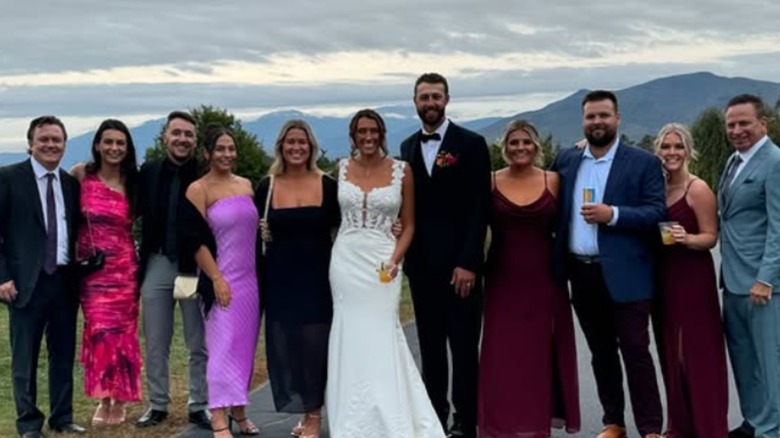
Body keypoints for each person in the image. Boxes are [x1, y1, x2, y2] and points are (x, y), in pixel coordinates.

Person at [550, 90, 666, 438]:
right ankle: (613, 422)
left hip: (627, 273)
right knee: (601, 353)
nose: (597, 122)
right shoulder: (567, 161)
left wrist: (612, 214)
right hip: (582, 273)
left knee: (636, 352)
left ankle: (650, 429)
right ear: (582, 121)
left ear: (617, 119)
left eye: (603, 116)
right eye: (590, 117)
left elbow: (656, 211)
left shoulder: (642, 162)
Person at [327, 109, 443, 438]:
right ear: (353, 136)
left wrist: (396, 259)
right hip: (346, 259)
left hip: (383, 259)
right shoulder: (341, 168)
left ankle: (390, 411)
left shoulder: (401, 171)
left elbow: (409, 224)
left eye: (373, 131)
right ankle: (350, 415)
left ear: (381, 134)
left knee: (381, 330)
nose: (367, 137)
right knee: (349, 331)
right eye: (361, 131)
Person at [399, 72, 491, 438]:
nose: (430, 103)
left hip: (461, 267)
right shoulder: (406, 147)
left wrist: (469, 262)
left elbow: (479, 207)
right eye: (424, 97)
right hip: (421, 268)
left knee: (465, 348)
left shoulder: (471, 144)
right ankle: (433, 417)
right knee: (431, 348)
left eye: (436, 96)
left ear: (447, 99)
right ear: (415, 102)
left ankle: (466, 420)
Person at [478, 120, 580, 437]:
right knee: (501, 351)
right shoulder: (490, 181)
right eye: (513, 143)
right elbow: (467, 223)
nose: (520, 148)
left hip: (545, 277)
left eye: (526, 142)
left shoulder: (555, 181)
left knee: (539, 351)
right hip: (502, 276)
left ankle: (537, 421)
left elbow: (571, 223)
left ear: (536, 146)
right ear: (504, 148)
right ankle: (499, 423)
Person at [0, 116, 85, 437]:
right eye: (44, 140)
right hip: (23, 283)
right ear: (30, 144)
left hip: (64, 281)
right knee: (25, 357)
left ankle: (62, 417)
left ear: (64, 144)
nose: (51, 145)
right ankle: (28, 422)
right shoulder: (8, 178)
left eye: (57, 140)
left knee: (63, 355)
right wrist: (2, 276)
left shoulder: (69, 184)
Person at [254, 120, 338, 438]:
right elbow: (254, 236)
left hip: (318, 278)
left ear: (311, 146)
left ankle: (314, 417)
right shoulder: (267, 186)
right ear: (281, 146)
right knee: (290, 350)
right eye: (290, 142)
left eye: (302, 142)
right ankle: (306, 412)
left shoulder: (328, 185)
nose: (296, 147)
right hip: (280, 279)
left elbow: (348, 229)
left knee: (315, 347)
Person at [180, 126, 261, 437]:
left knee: (244, 349)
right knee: (222, 347)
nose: (227, 154)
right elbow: (195, 240)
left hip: (250, 281)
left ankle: (240, 412)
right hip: (219, 279)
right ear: (207, 153)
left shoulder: (247, 185)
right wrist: (216, 278)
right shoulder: (198, 189)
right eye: (220, 149)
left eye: (231, 149)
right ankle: (217, 415)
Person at [652, 123, 728, 437]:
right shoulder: (655, 187)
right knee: (670, 351)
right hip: (662, 279)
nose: (671, 153)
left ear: (688, 150)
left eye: (678, 146)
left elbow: (711, 238)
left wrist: (687, 238)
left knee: (696, 354)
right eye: (666, 146)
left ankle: (708, 426)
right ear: (657, 150)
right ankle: (679, 425)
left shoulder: (697, 189)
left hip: (692, 278)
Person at [136, 111, 210, 430]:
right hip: (157, 264)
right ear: (164, 136)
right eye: (176, 133)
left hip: (191, 267)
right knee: (156, 339)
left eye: (188, 134)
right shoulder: (149, 171)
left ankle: (199, 403)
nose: (182, 139)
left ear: (195, 140)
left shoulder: (204, 174)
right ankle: (158, 404)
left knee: (197, 339)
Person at [70, 119, 143, 426]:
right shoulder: (79, 175)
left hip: (125, 269)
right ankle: (103, 398)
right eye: (108, 142)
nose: (114, 148)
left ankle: (121, 399)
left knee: (124, 335)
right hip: (92, 271)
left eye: (120, 143)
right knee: (99, 332)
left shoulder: (134, 182)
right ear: (98, 144)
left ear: (127, 149)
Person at [718, 94, 780, 438]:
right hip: (732, 281)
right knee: (743, 359)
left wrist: (766, 278)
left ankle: (772, 429)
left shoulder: (774, 162)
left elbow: (779, 226)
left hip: (762, 285)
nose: (737, 130)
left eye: (744, 123)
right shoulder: (733, 162)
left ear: (763, 124)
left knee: (768, 363)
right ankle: (754, 421)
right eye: (732, 124)